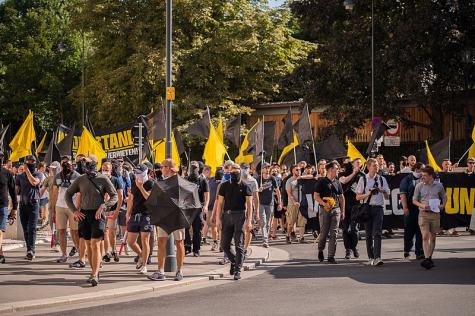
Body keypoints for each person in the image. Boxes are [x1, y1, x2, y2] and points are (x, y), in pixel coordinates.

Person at [65, 155, 118, 286]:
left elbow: (115, 196)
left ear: (94, 164)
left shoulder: (103, 178)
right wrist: (74, 211)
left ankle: (95, 274)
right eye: (84, 162)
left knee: (95, 244)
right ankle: (93, 270)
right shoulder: (80, 179)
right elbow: (68, 194)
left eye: (87, 162)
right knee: (88, 245)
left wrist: (104, 206)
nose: (84, 164)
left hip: (98, 215)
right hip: (84, 215)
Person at [148, 159, 187, 282]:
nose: (161, 169)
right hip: (163, 216)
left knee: (179, 243)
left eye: (163, 166)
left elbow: (184, 200)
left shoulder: (180, 182)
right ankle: (160, 271)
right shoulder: (161, 182)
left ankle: (180, 271)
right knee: (160, 242)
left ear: (169, 168)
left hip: (177, 216)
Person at [215, 163, 253, 280]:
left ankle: (237, 270)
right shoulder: (224, 186)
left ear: (240, 173)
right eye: (232, 173)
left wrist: (249, 220)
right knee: (224, 244)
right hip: (227, 216)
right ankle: (234, 261)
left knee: (239, 244)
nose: (234, 174)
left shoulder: (245, 186)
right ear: (229, 173)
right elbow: (220, 203)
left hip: (240, 216)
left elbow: (249, 205)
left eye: (236, 173)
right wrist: (217, 219)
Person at [356, 158, 390, 266]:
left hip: (378, 208)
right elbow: (357, 197)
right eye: (374, 165)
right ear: (368, 167)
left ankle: (377, 257)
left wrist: (383, 191)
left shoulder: (382, 179)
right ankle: (370, 257)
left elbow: (387, 196)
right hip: (367, 208)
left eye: (377, 165)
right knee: (369, 234)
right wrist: (369, 193)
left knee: (377, 233)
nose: (377, 167)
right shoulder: (363, 179)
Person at [412, 166, 447, 269]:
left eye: (425, 176)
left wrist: (442, 206)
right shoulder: (419, 186)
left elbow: (444, 197)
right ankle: (427, 258)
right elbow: (414, 200)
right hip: (423, 214)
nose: (423, 177)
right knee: (425, 236)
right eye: (422, 175)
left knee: (433, 237)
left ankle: (429, 257)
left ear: (431, 176)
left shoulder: (439, 186)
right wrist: (422, 205)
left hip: (435, 214)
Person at [50, 158, 81, 263]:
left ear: (72, 164)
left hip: (73, 207)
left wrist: (78, 207)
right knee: (61, 231)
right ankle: (64, 254)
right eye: (63, 163)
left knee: (75, 232)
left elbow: (80, 193)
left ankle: (79, 251)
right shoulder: (57, 176)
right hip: (60, 206)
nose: (66, 164)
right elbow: (54, 192)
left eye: (68, 162)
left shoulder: (77, 176)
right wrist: (53, 209)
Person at [314, 161, 345, 264]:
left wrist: (342, 210)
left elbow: (341, 197)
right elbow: (316, 196)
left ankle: (331, 256)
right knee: (323, 233)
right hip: (324, 210)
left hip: (336, 210)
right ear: (331, 170)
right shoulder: (321, 182)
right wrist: (323, 203)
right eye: (336, 169)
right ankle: (320, 249)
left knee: (334, 234)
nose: (338, 171)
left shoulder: (337, 182)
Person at [126, 164, 154, 275]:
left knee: (145, 240)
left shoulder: (150, 183)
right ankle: (142, 256)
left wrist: (141, 187)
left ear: (145, 172)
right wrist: (128, 213)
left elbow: (149, 197)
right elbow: (131, 199)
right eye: (136, 172)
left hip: (146, 214)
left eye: (139, 172)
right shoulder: (134, 183)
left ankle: (145, 264)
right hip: (135, 214)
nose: (137, 174)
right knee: (131, 241)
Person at [16, 155, 44, 261]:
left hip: (34, 204)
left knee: (32, 228)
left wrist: (27, 171)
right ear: (25, 162)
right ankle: (29, 250)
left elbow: (34, 182)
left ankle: (31, 250)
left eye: (32, 161)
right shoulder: (19, 176)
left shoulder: (39, 174)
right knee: (25, 229)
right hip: (23, 204)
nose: (30, 162)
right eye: (28, 161)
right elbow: (17, 190)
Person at [339, 158, 364, 259]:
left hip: (355, 204)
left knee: (354, 229)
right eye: (357, 163)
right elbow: (344, 181)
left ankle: (354, 248)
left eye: (360, 164)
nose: (359, 165)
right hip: (344, 204)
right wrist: (354, 173)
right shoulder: (342, 174)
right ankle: (348, 250)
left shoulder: (361, 175)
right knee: (345, 229)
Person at [399, 162, 425, 260]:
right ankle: (407, 251)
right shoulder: (407, 179)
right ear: (417, 169)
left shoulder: (424, 179)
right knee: (409, 231)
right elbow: (403, 194)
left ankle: (419, 252)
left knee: (420, 231)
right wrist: (405, 207)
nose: (424, 172)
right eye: (422, 169)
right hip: (410, 209)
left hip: (421, 209)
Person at [185, 161, 209, 257]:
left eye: (195, 167)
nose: (193, 169)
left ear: (198, 168)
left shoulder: (203, 180)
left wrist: (206, 205)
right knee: (186, 227)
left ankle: (196, 249)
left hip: (198, 208)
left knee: (197, 229)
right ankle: (187, 246)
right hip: (187, 207)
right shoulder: (186, 179)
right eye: (192, 167)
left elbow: (207, 195)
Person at [101, 161, 123, 263]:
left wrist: (117, 211)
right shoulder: (97, 179)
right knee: (104, 232)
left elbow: (120, 196)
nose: (105, 169)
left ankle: (114, 250)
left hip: (112, 209)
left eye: (107, 168)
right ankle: (106, 252)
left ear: (111, 170)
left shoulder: (116, 180)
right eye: (104, 167)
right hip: (101, 210)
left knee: (112, 232)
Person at [256, 162, 281, 247]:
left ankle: (266, 238)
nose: (267, 169)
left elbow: (278, 191)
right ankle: (265, 240)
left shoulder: (272, 178)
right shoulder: (258, 179)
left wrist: (279, 203)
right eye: (265, 168)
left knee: (268, 223)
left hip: (270, 203)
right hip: (261, 203)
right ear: (262, 169)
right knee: (263, 221)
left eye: (268, 168)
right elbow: (253, 192)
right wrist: (258, 190)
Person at [0, 150, 18, 263]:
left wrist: (14, 209)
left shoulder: (7, 173)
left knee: (0, 231)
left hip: (2, 206)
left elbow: (13, 192)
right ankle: (1, 253)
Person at [240, 162, 259, 253]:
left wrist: (257, 211)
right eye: (242, 168)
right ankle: (240, 245)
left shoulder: (253, 181)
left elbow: (256, 197)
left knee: (248, 228)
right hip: (239, 207)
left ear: (249, 169)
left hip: (249, 208)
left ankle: (246, 248)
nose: (244, 170)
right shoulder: (237, 179)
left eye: (246, 168)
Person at [285, 165, 306, 243]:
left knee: (302, 222)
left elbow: (313, 176)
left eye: (300, 170)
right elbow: (289, 193)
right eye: (297, 170)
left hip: (302, 204)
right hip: (292, 204)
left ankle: (302, 237)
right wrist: (294, 202)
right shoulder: (289, 181)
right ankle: (288, 235)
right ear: (292, 171)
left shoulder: (303, 179)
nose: (299, 171)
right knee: (291, 222)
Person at [204, 167, 223, 251]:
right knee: (213, 226)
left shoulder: (224, 182)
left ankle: (221, 243)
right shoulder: (211, 180)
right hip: (211, 207)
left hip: (221, 207)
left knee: (220, 227)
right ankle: (216, 242)